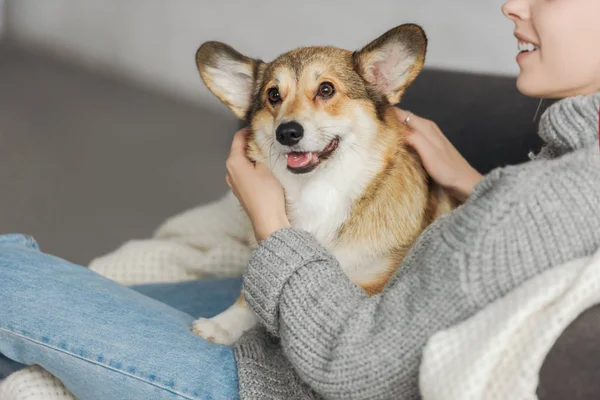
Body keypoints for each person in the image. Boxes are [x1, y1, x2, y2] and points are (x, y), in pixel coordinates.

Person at [1, 0, 599, 398]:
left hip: (283, 378)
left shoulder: (546, 198)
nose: (513, 4)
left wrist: (270, 224)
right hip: (296, 311)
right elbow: (515, 232)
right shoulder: (571, 162)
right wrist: (471, 182)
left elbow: (351, 368)